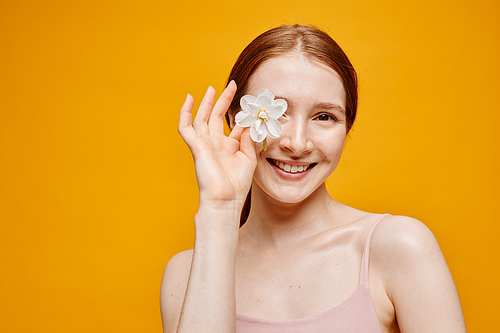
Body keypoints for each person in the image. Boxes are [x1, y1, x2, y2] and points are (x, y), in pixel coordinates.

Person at [160, 24, 466, 332]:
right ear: (233, 119)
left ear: (346, 129)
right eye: (278, 113)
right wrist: (219, 209)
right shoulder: (185, 275)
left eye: (324, 117)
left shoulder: (399, 247)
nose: (297, 143)